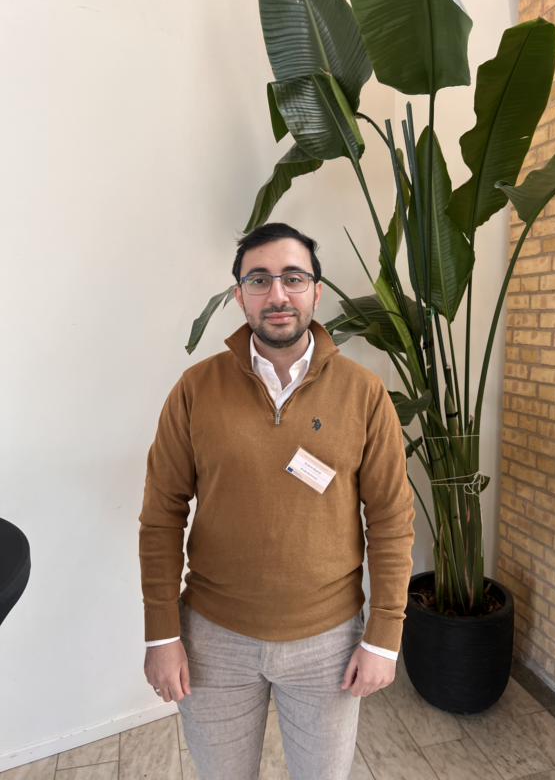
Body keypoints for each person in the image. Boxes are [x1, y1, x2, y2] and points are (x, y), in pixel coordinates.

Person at [139, 222, 416, 780]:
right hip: (212, 638)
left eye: (293, 277)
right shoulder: (195, 389)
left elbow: (390, 519)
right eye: (259, 280)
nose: (277, 294)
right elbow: (162, 516)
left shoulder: (364, 393)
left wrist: (385, 637)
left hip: (328, 642)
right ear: (239, 295)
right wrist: (162, 633)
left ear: (317, 290)